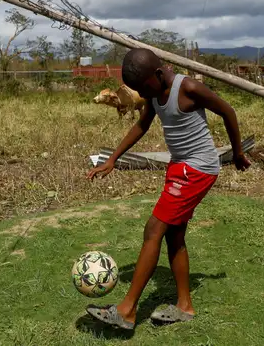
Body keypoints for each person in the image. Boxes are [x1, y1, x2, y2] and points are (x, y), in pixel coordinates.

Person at [85, 47, 250, 330]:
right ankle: (184, 306)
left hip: (197, 169)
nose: (142, 94)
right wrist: (112, 159)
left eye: (143, 87)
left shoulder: (188, 87)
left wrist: (236, 153)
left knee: (153, 229)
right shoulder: (153, 92)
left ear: (159, 74)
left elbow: (228, 111)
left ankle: (126, 311)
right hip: (180, 167)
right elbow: (142, 125)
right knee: (173, 234)